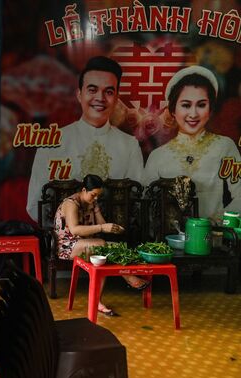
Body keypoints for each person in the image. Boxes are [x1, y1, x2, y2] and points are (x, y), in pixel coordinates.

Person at [27, 56, 144, 223]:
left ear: (117, 99)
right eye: (92, 89)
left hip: (115, 243)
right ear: (79, 95)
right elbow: (35, 205)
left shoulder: (129, 145)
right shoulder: (52, 143)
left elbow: (138, 203)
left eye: (109, 92)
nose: (100, 98)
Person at [144, 66, 241, 220]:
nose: (193, 114)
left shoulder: (224, 146)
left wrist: (217, 221)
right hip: (165, 241)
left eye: (201, 105)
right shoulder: (157, 156)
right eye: (186, 105)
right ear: (173, 109)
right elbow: (145, 206)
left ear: (210, 109)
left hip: (213, 239)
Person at [55, 174, 150, 316]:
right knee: (101, 244)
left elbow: (102, 224)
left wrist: (105, 220)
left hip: (85, 243)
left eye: (98, 195)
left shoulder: (92, 202)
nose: (96, 198)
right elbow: (75, 230)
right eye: (93, 195)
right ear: (83, 190)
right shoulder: (71, 203)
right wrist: (102, 228)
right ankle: (130, 278)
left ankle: (97, 302)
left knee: (112, 250)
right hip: (67, 245)